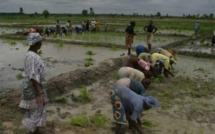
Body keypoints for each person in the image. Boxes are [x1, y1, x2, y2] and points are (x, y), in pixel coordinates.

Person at [19, 32, 48, 134]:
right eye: (40, 41)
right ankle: (32, 131)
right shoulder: (32, 56)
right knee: (36, 111)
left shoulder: (32, 54)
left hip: (35, 87)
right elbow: (32, 76)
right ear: (36, 43)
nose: (41, 43)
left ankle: (34, 130)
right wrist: (39, 93)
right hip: (33, 89)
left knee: (35, 111)